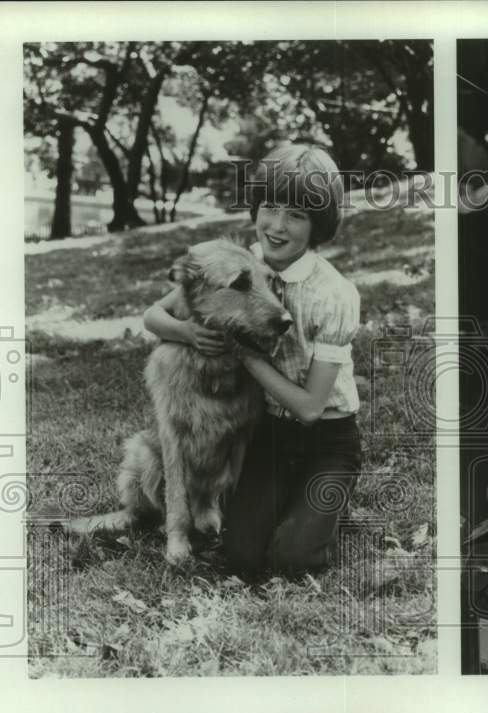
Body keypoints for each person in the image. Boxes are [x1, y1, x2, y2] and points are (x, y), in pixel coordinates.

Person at [144, 143, 362, 579]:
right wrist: (189, 332)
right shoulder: (247, 262)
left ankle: (325, 501)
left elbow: (310, 409)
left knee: (292, 559)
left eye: (297, 216)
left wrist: (241, 351)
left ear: (318, 226)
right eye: (270, 207)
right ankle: (292, 503)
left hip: (326, 437)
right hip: (272, 434)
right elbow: (155, 315)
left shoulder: (334, 294)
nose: (278, 227)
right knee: (240, 555)